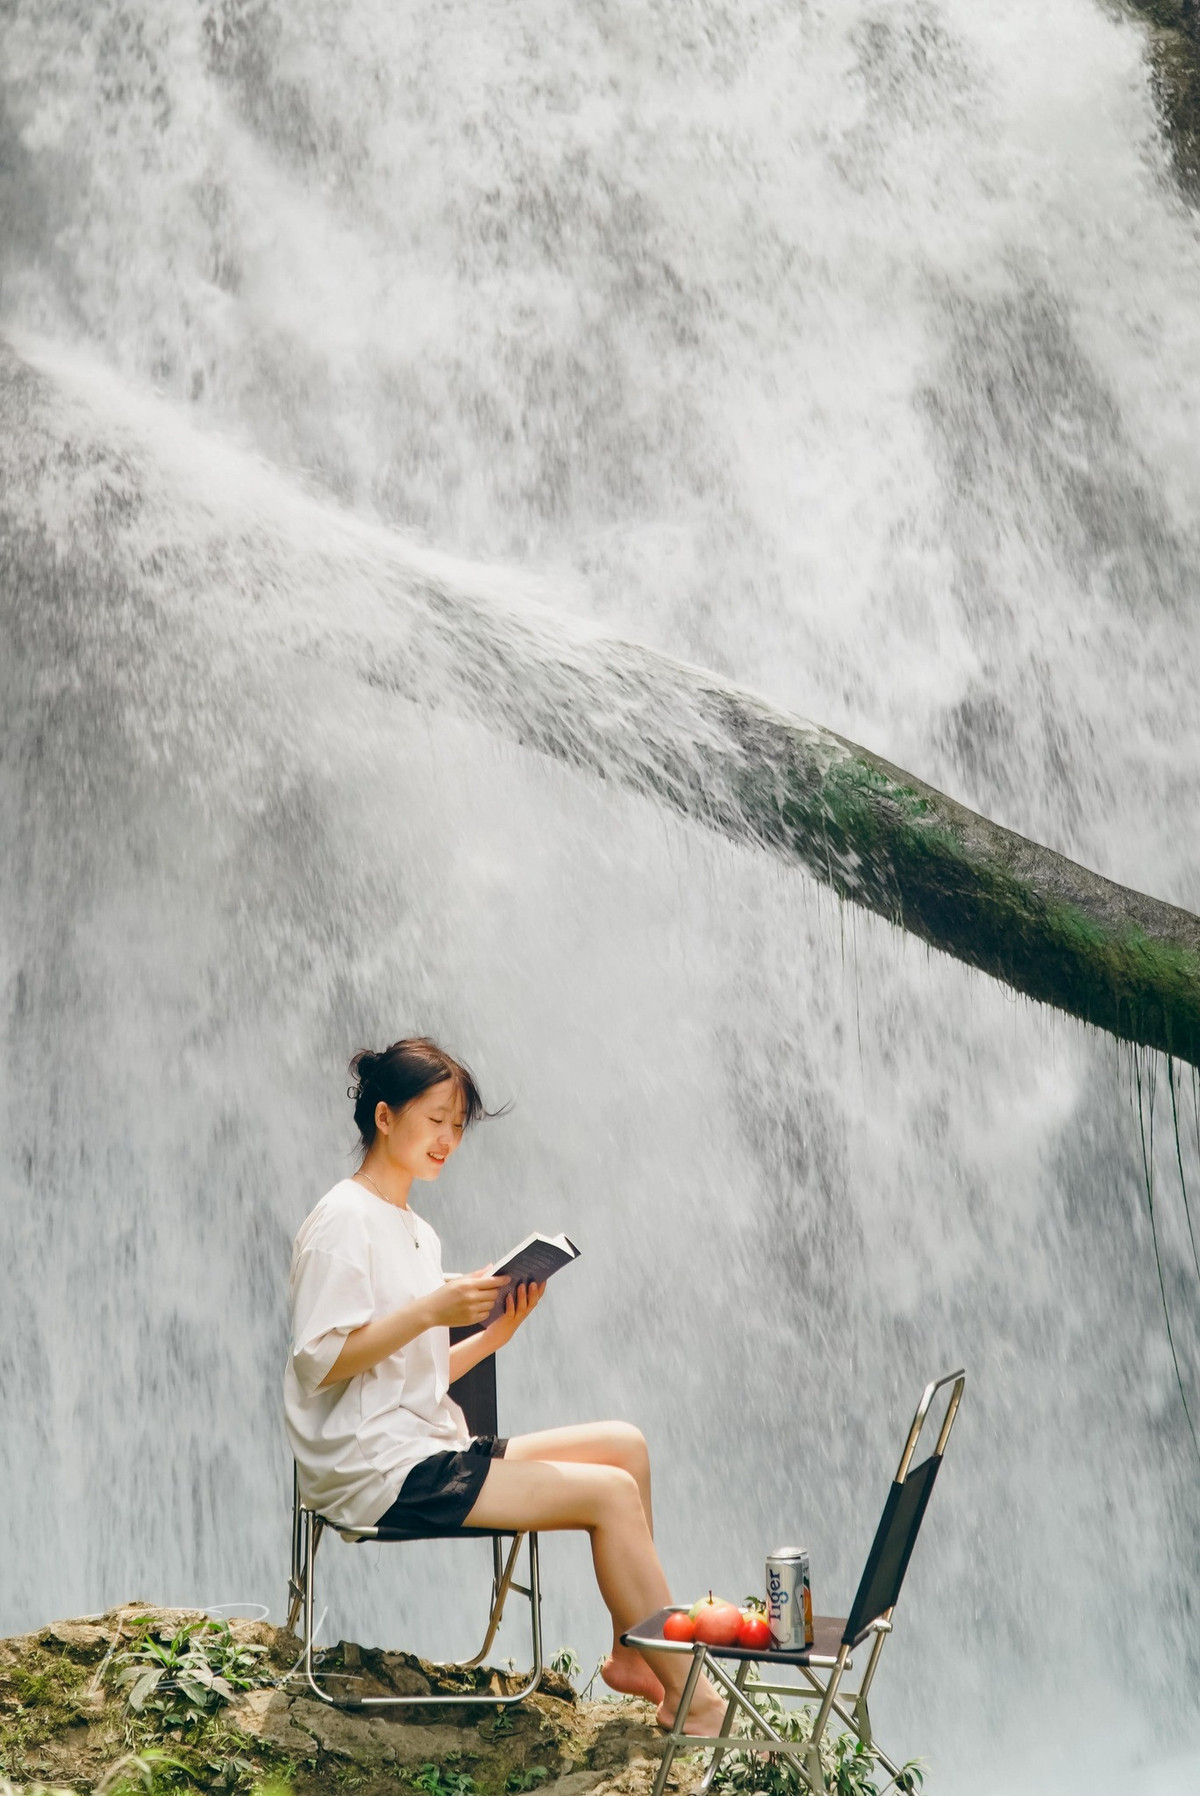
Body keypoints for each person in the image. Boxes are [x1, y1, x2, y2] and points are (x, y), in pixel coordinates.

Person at [284, 1035, 725, 1734]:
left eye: (458, 1126)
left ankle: (632, 1658)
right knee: (609, 1495)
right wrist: (432, 1310)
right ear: (385, 1117)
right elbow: (321, 1363)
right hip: (378, 1469)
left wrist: (493, 1337)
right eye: (435, 1120)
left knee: (625, 1447)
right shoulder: (343, 1219)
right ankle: (693, 1705)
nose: (448, 1140)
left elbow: (406, 1378)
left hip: (423, 1447)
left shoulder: (416, 1232)